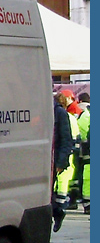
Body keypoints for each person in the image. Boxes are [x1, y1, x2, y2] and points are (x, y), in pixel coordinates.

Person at [52, 90, 75, 232]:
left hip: (53, 161)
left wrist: (60, 163)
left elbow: (66, 139)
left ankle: (57, 212)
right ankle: (58, 212)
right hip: (44, 158)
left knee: (47, 194)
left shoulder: (59, 113)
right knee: (46, 195)